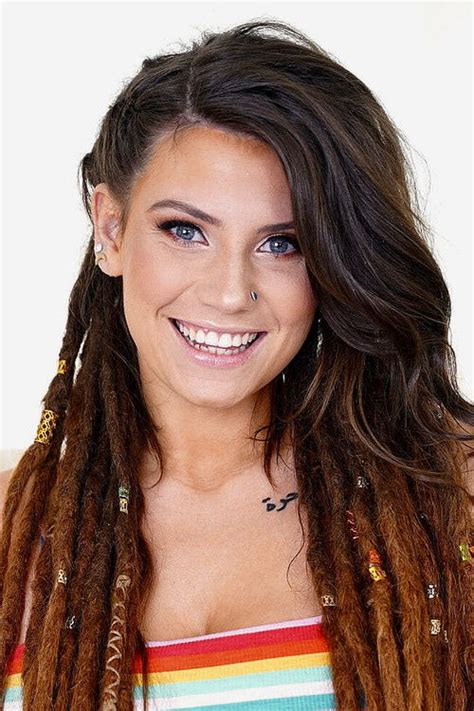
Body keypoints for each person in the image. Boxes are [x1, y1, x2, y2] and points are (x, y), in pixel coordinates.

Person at [0, 18, 473, 711]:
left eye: (282, 244)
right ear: (110, 228)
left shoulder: (449, 494)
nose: (230, 292)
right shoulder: (12, 522)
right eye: (185, 230)